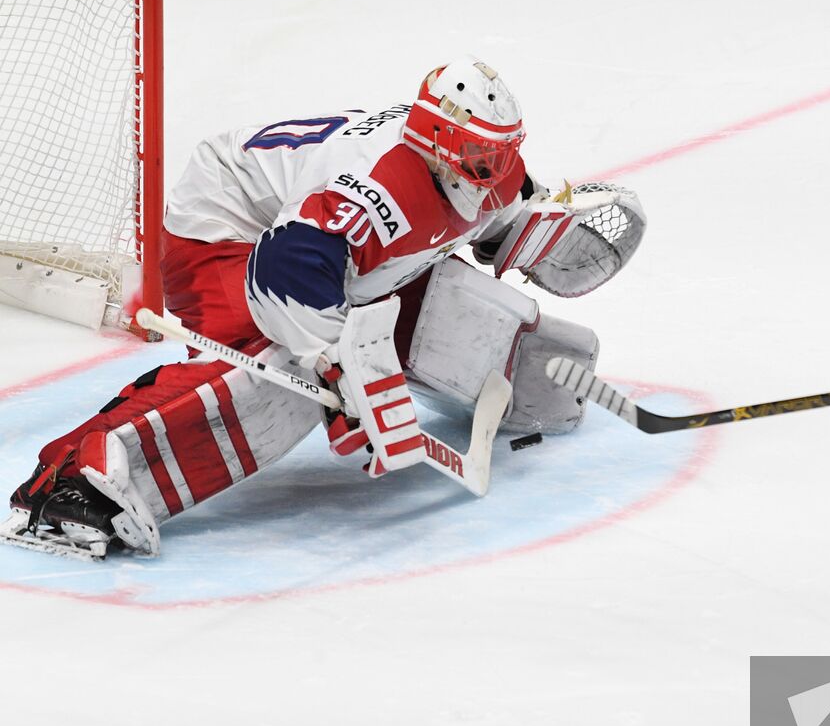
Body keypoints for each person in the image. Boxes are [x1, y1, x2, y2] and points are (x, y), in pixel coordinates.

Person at [3, 57, 644, 560]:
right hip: (228, 233)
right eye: (480, 154)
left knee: (421, 309)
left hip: (331, 250)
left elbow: (483, 210)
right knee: (283, 379)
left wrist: (534, 229)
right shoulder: (378, 187)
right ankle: (74, 481)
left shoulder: (471, 163)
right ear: (437, 139)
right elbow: (284, 277)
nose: (493, 167)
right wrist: (345, 371)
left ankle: (537, 382)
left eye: (500, 152)